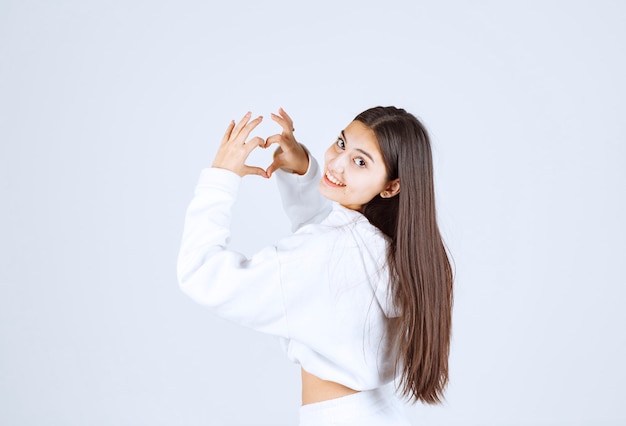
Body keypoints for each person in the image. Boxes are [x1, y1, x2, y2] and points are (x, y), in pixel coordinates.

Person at [177, 106, 453, 425]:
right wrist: (302, 171)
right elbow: (328, 238)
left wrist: (220, 178)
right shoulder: (392, 248)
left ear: (391, 186)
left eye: (360, 161)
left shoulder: (328, 253)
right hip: (382, 412)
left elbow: (200, 273)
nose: (336, 163)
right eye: (340, 143)